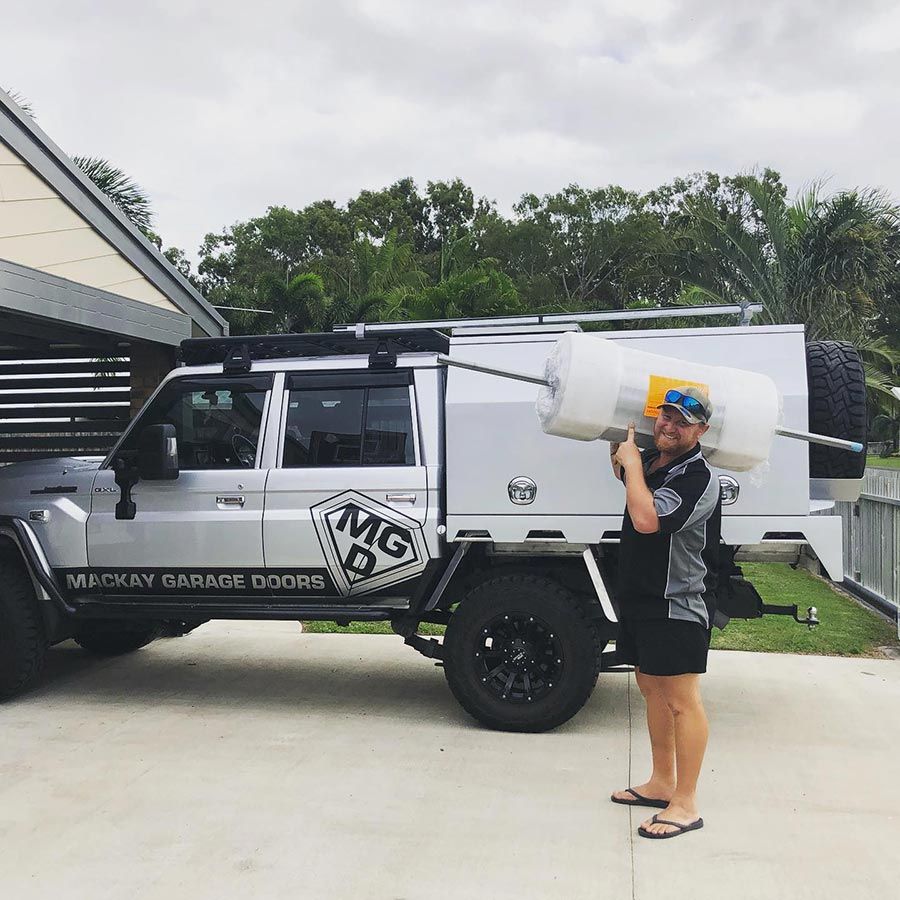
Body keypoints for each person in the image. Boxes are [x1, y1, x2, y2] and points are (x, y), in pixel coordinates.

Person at [608, 386, 721, 840]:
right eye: (665, 417)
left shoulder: (698, 477)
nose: (669, 426)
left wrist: (632, 465)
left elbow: (647, 519)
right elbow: (628, 479)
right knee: (651, 687)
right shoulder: (657, 461)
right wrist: (628, 459)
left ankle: (686, 803)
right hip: (642, 596)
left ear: (701, 431)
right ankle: (661, 782)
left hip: (678, 602)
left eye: (681, 421)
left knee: (681, 699)